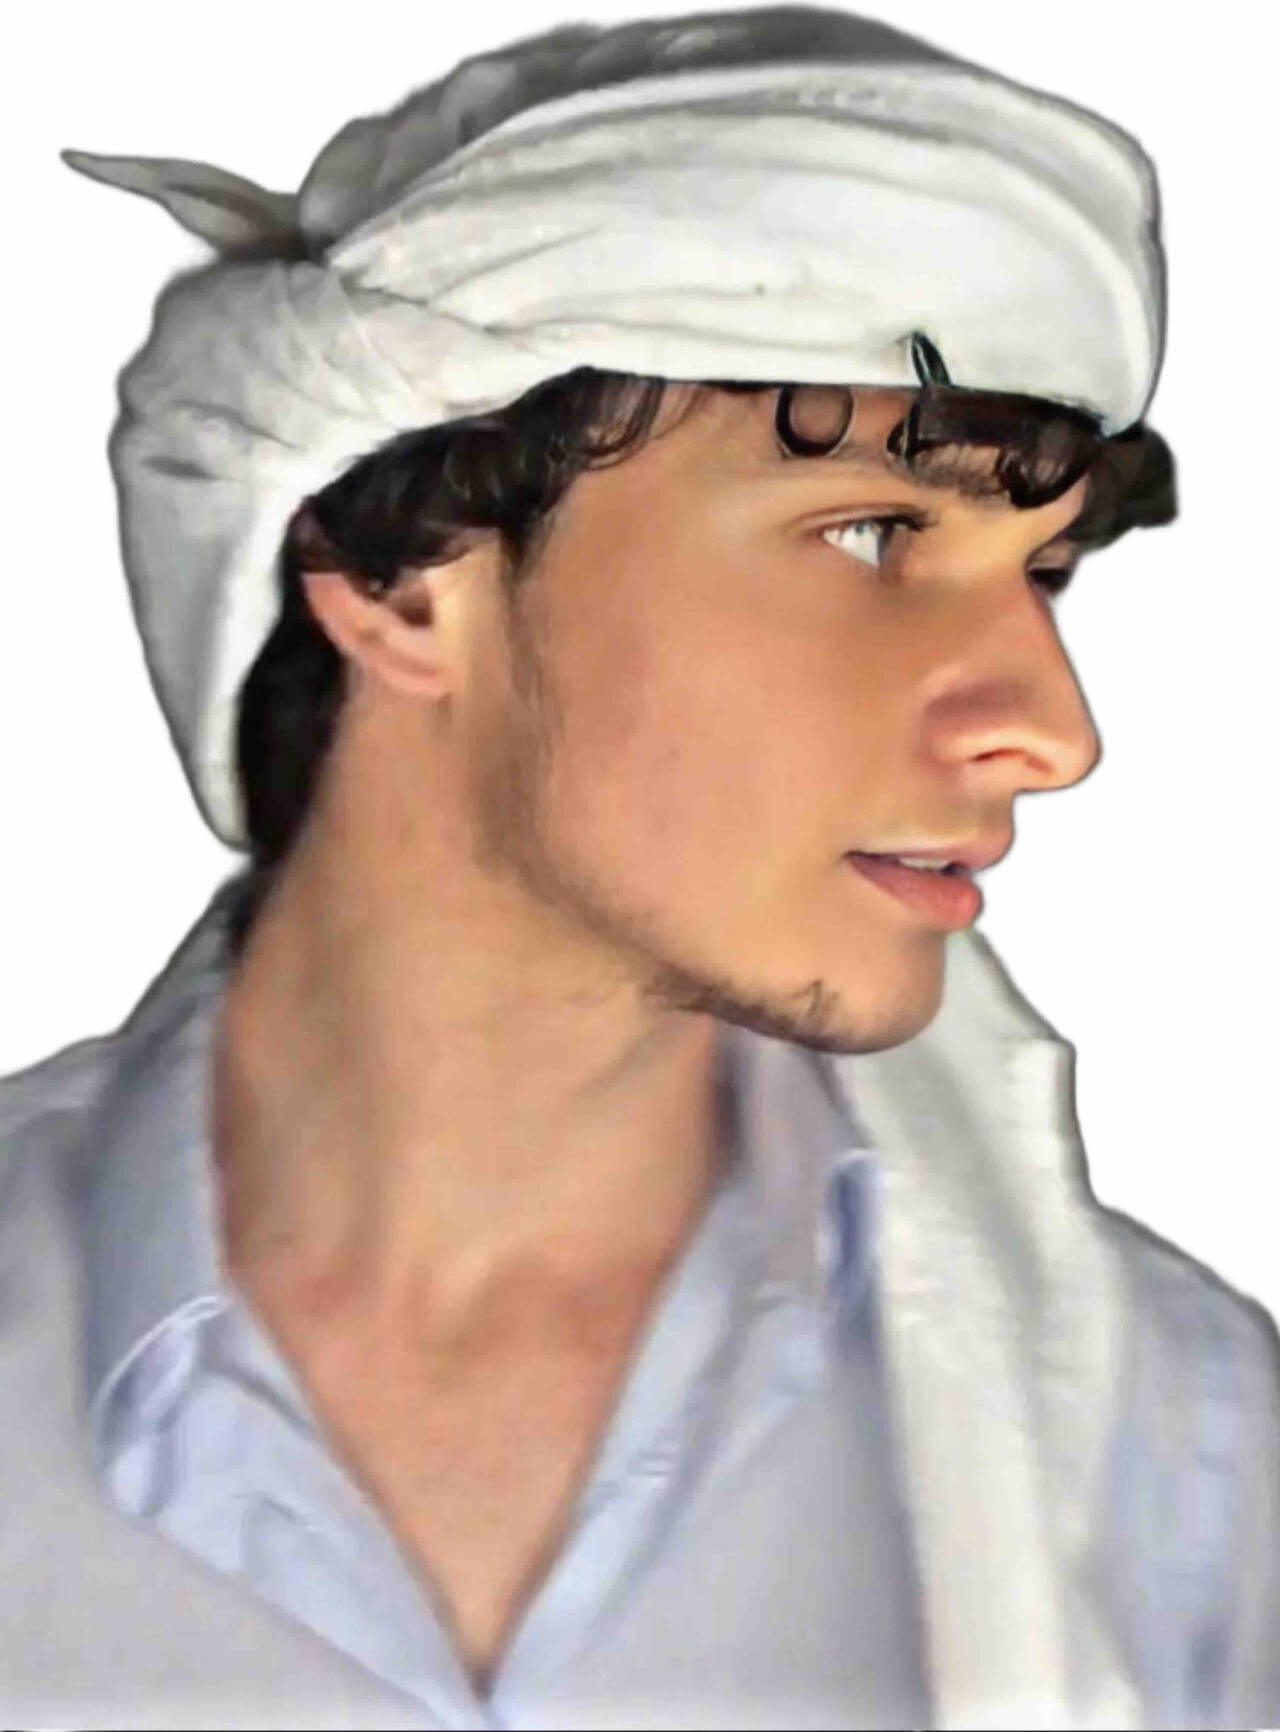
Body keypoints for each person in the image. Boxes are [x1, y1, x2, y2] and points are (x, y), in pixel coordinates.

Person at [2, 8, 1277, 1730]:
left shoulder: (1180, 1451)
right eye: (872, 534)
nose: (1051, 732)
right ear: (403, 585)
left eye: (1040, 576)